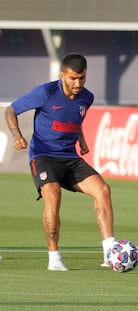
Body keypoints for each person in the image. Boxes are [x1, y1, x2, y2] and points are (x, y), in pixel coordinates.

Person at [4, 53, 118, 271]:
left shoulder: (87, 97)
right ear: (62, 75)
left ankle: (110, 253)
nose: (77, 83)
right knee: (53, 195)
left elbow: (75, 119)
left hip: (70, 157)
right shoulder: (45, 92)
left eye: (82, 78)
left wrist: (81, 141)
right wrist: (17, 135)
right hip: (43, 156)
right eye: (73, 78)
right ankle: (54, 258)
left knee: (103, 190)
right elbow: (11, 110)